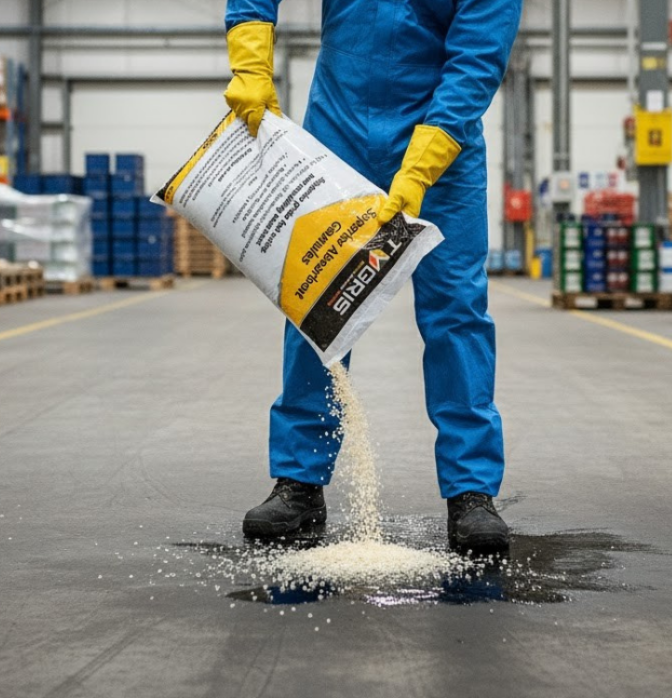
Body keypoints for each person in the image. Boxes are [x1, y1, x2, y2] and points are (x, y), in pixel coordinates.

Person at [224, 0, 523, 551]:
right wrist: (250, 64)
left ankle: (471, 492)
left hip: (440, 143)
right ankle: (300, 481)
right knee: (314, 306)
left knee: (456, 312)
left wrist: (421, 166)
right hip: (337, 128)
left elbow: (476, 60)